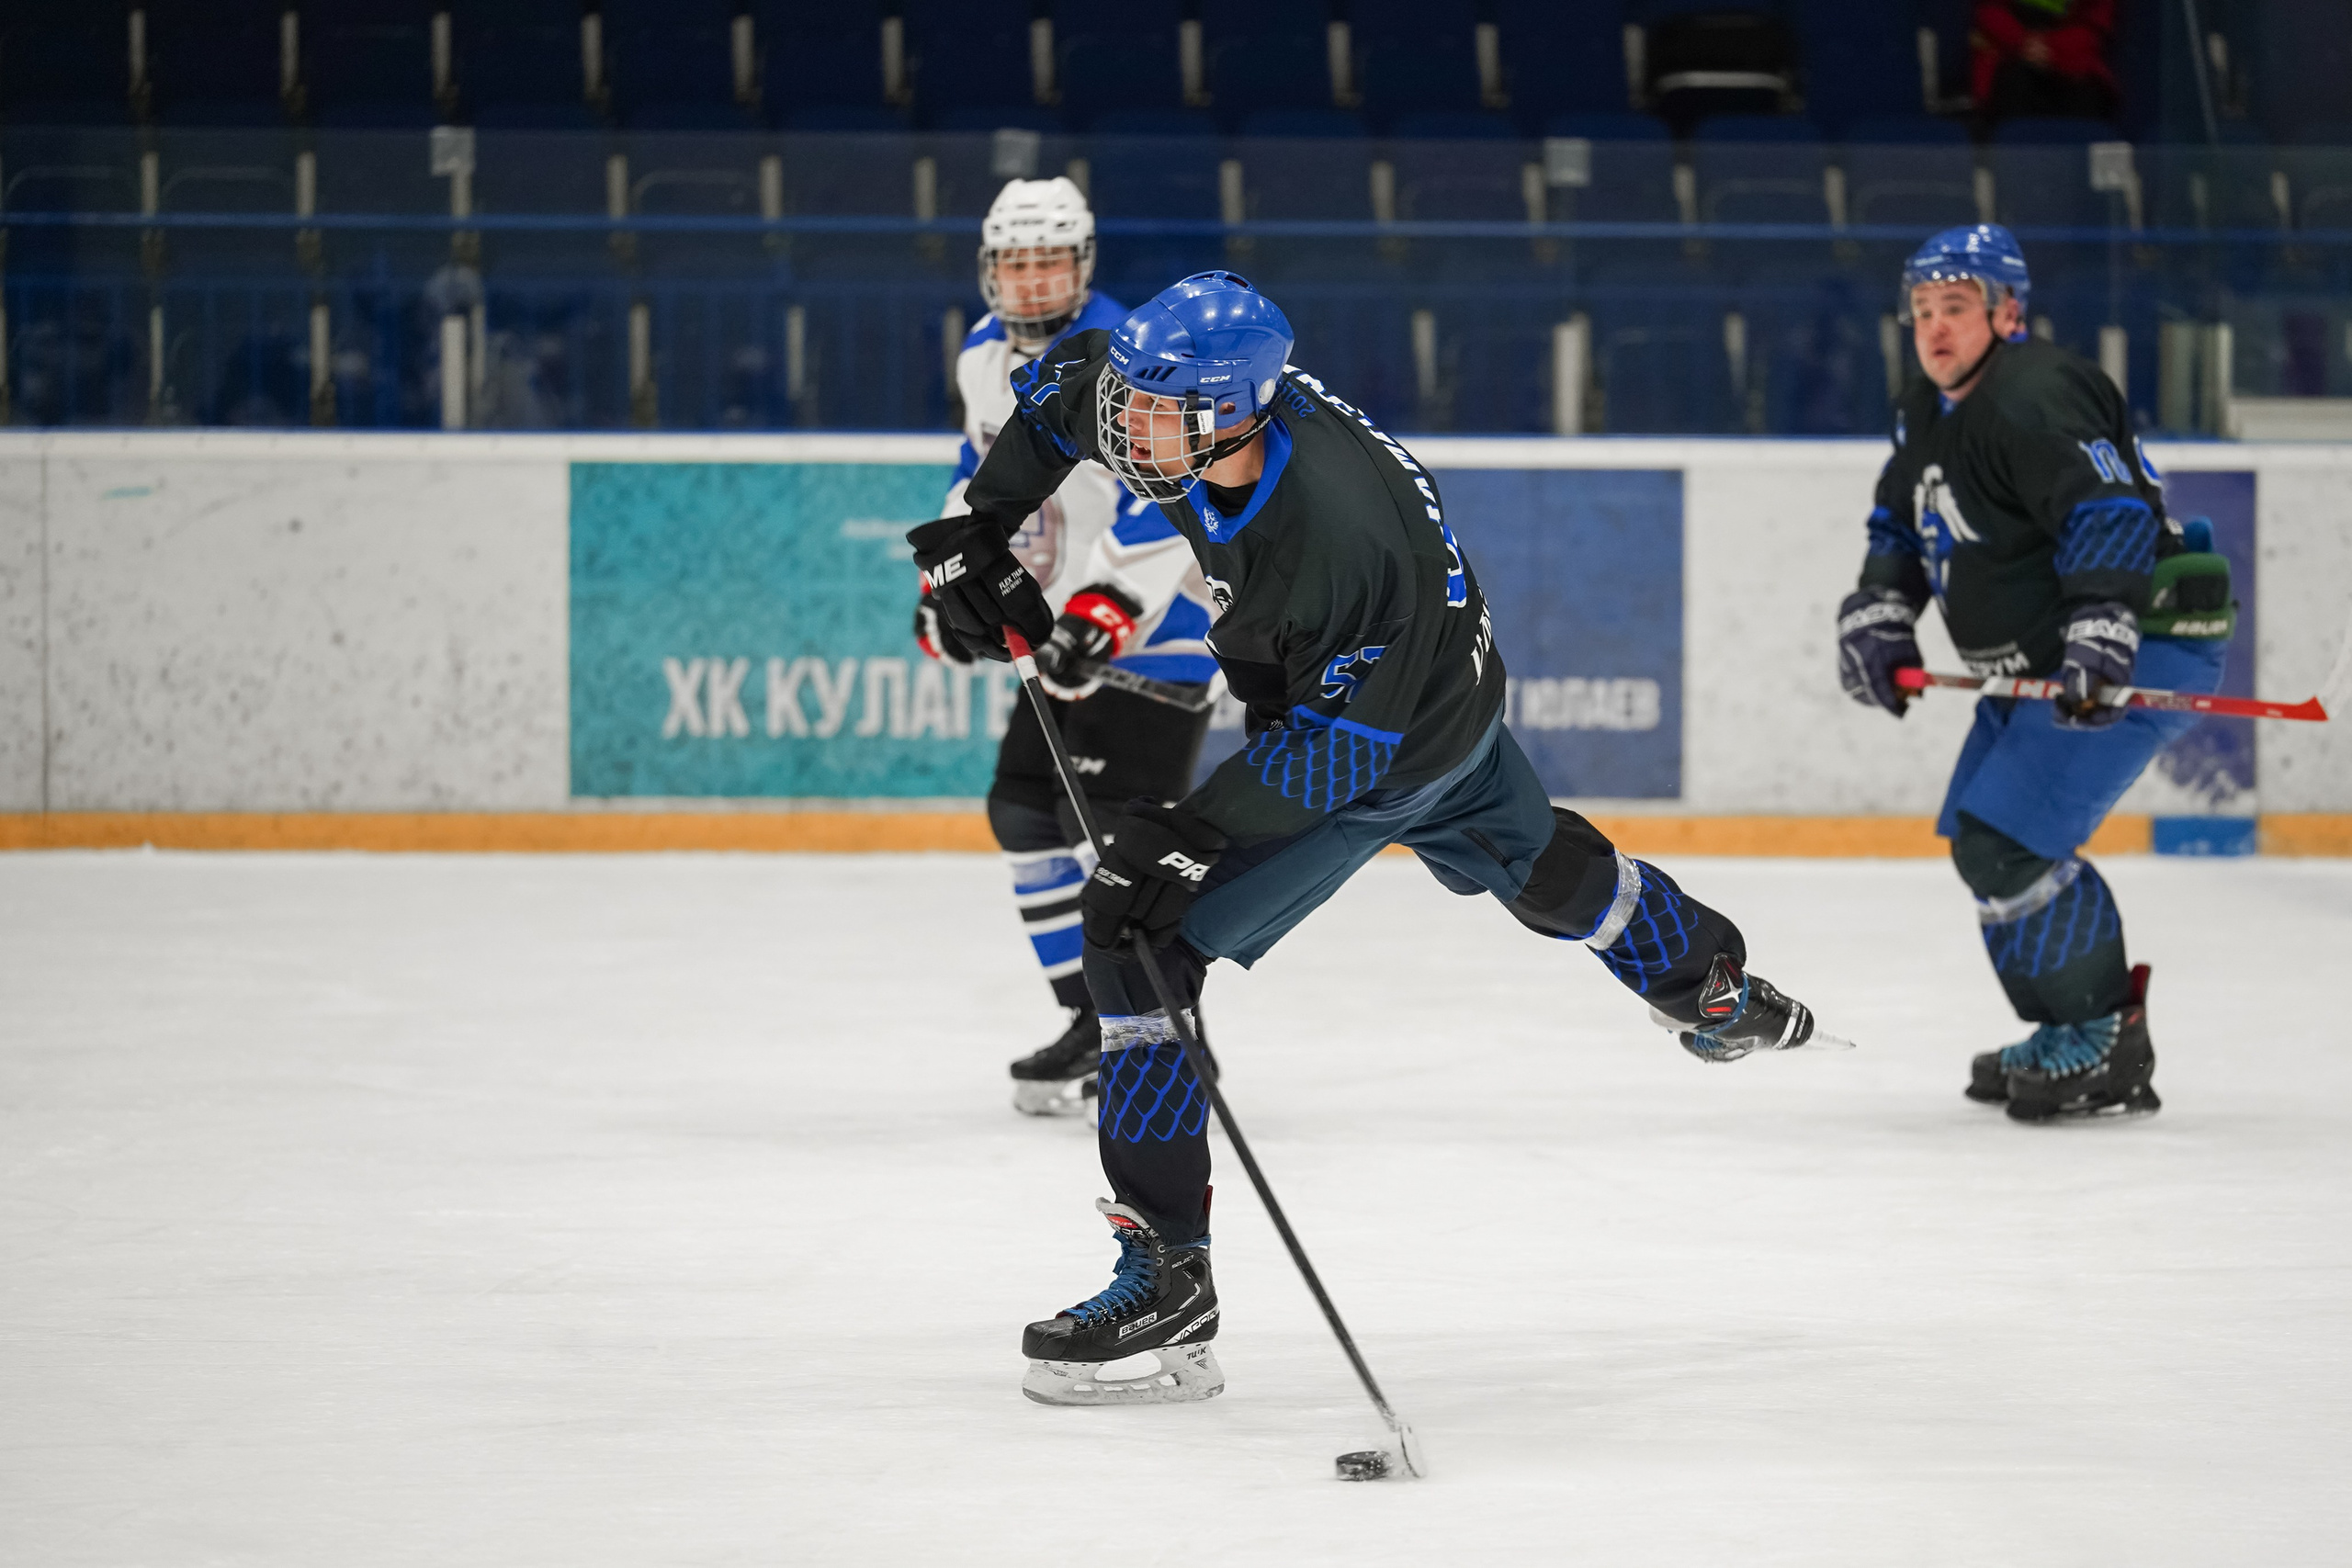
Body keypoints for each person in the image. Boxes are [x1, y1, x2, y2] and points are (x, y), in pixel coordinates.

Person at [909, 272, 1838, 1407]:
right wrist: (979, 527)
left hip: (1382, 744)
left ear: (1233, 415)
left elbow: (1339, 759)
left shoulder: (1339, 534)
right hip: (1443, 699)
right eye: (1134, 404)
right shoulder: (1181, 400)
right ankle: (1716, 988)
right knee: (1545, 873)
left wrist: (1185, 840)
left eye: (1152, 414)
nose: (1125, 428)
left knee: (1138, 935)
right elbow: (1065, 402)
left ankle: (1168, 1274)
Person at [1835, 223, 2233, 1123]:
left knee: (2008, 846)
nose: (1934, 329)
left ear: (2006, 313)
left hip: (2137, 640)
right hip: (2049, 658)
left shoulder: (2036, 393)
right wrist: (1881, 608)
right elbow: (1901, 523)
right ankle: (2065, 1030)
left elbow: (2108, 507)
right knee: (1983, 844)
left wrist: (2102, 624)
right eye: (1921, 312)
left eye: (1956, 308)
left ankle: (2103, 1040)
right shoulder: (1923, 407)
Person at [919, 177, 1220, 1118]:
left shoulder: (1134, 355)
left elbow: (1172, 492)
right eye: (1016, 262)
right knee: (1022, 812)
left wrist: (1107, 607)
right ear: (989, 270)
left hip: (1157, 633)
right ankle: (1095, 1020)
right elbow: (981, 479)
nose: (1033, 279)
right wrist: (948, 582)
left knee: (1120, 850)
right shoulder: (979, 356)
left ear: (1083, 265)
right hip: (1062, 635)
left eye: (1050, 260)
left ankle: (1173, 1044)